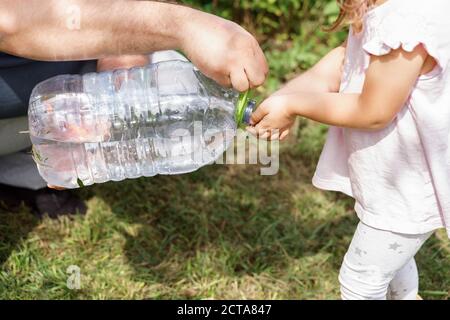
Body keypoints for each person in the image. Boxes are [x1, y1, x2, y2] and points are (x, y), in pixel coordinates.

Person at [249, 0, 449, 300]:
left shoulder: (408, 18)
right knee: (393, 270)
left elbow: (374, 110)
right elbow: (344, 61)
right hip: (393, 188)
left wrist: (294, 105)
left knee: (361, 283)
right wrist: (285, 98)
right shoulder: (384, 8)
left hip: (409, 190)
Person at [0, 0, 268, 216]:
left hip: (50, 90)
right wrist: (186, 26)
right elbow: (10, 23)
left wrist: (120, 76)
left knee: (165, 74)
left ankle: (23, 173)